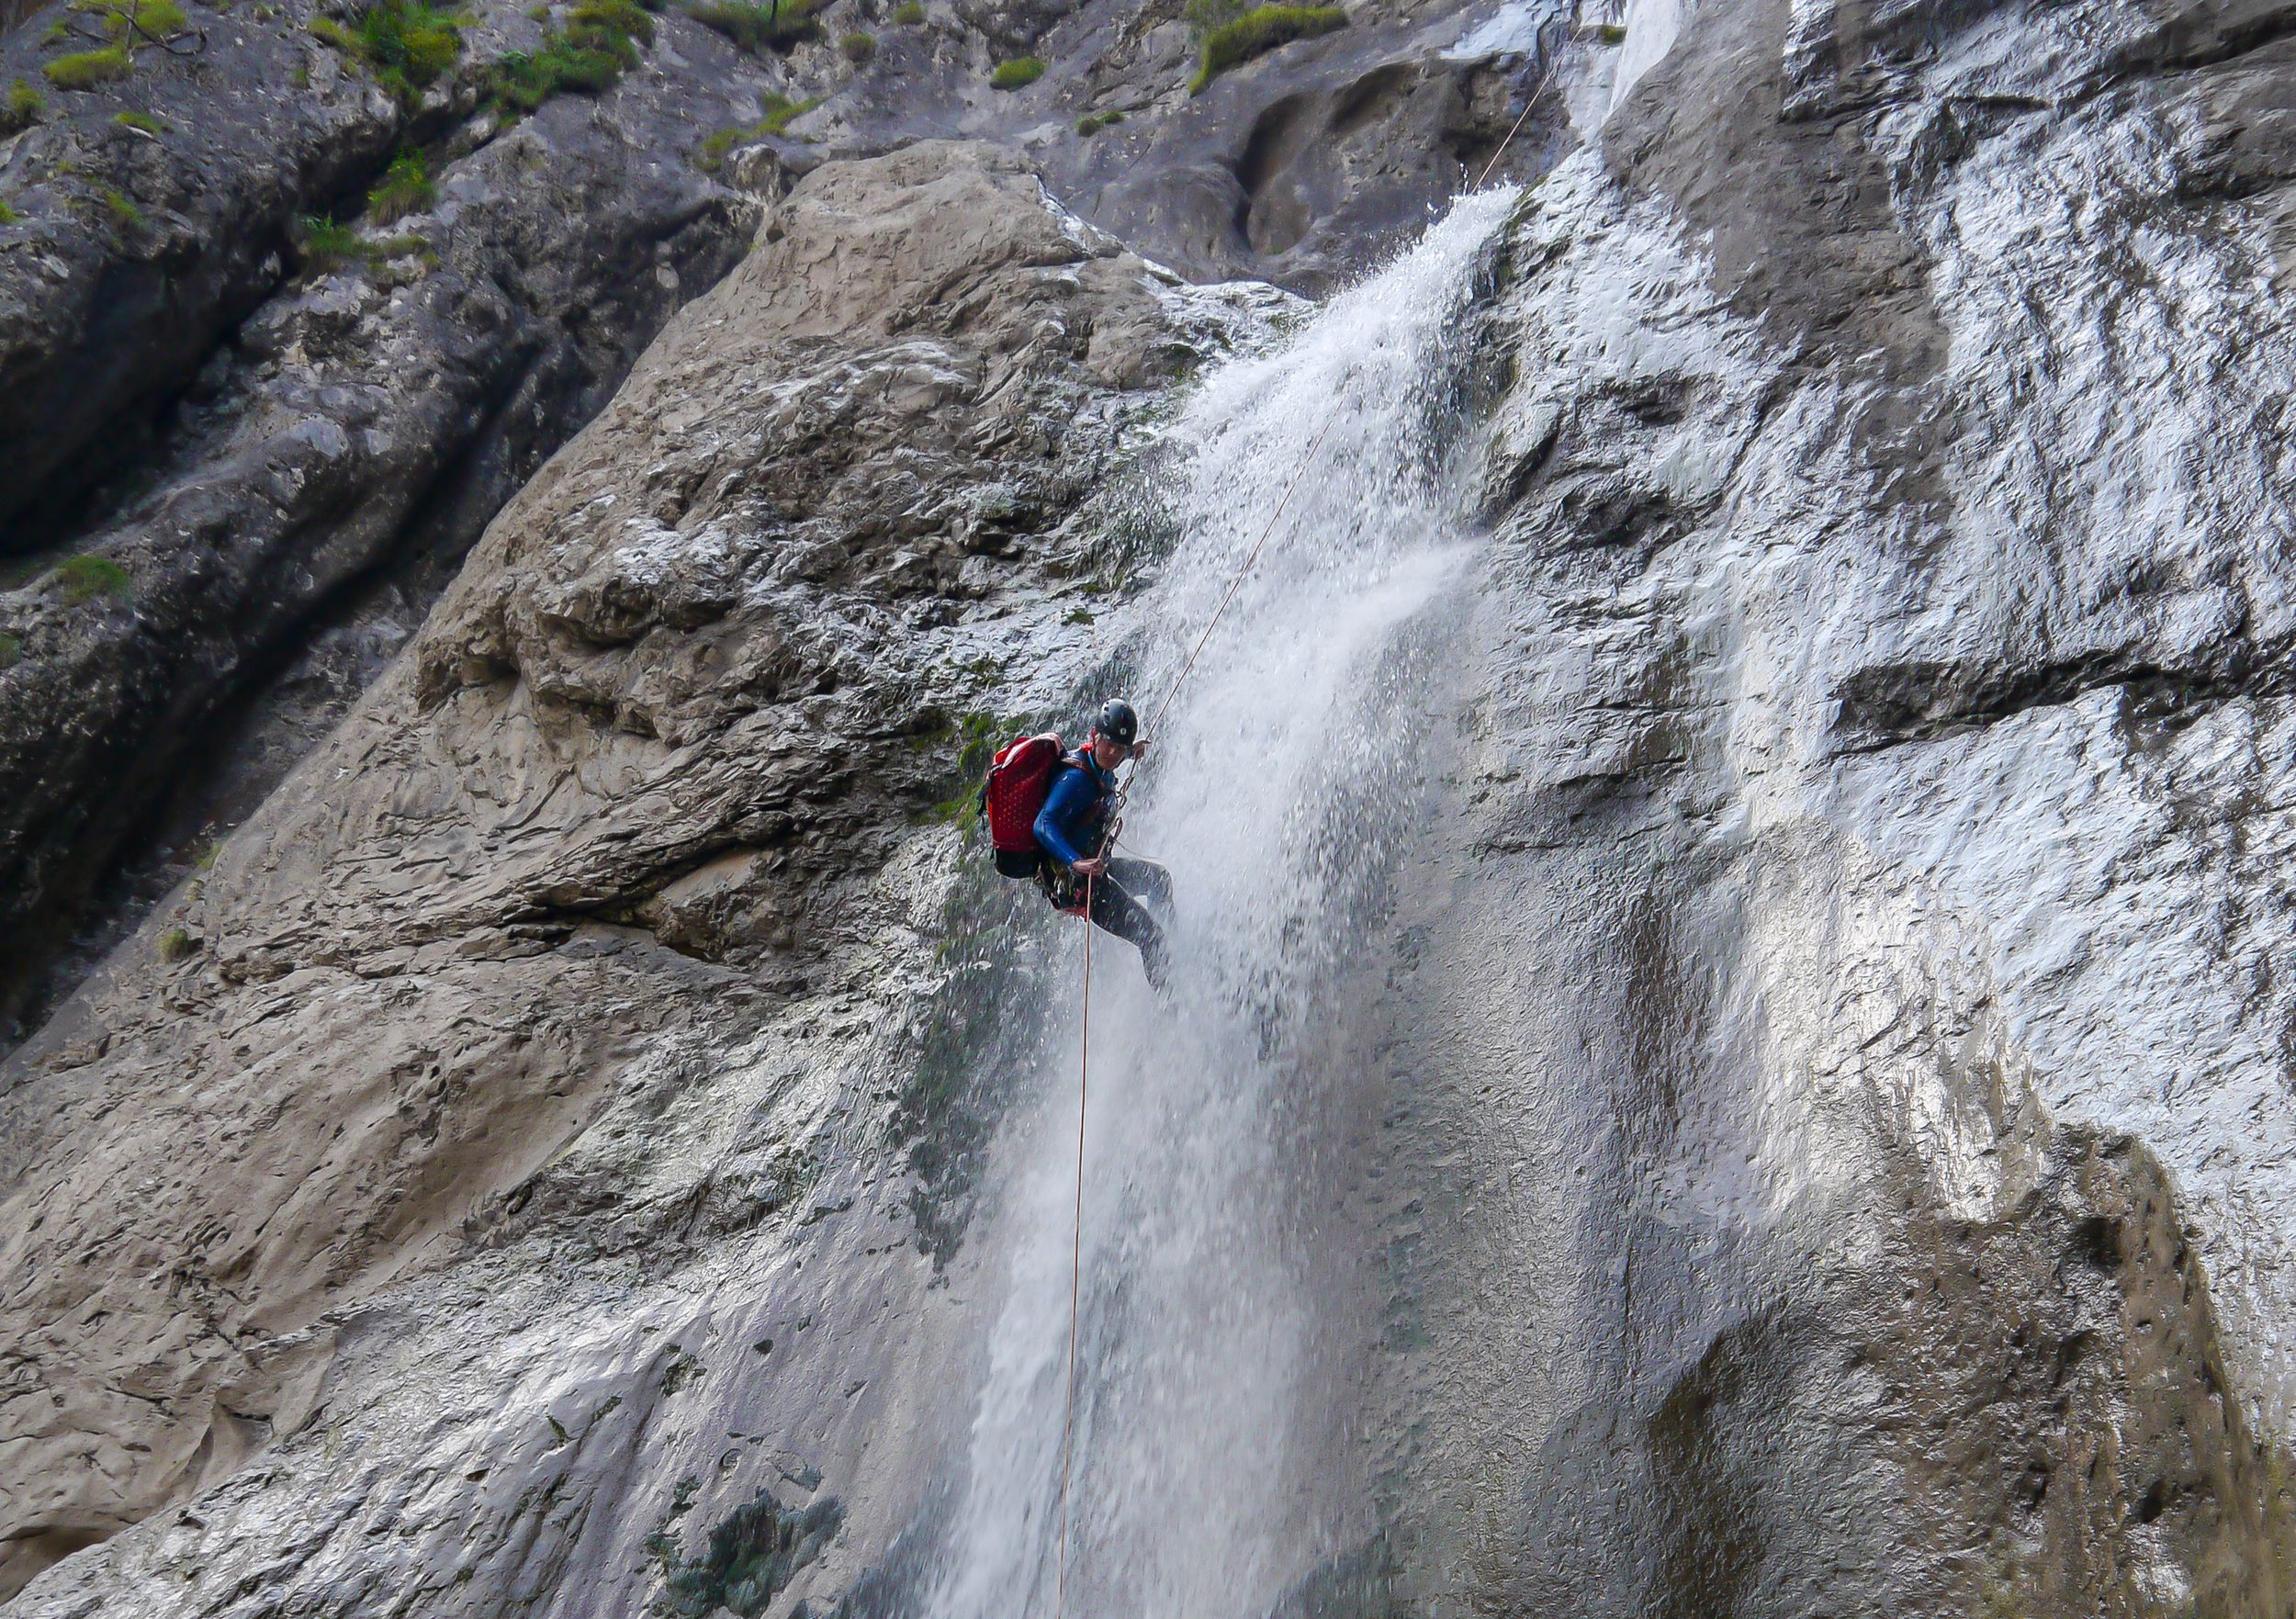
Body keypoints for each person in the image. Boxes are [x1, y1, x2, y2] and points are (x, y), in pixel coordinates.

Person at [1033, 698, 1175, 992]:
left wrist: (1130, 753)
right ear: (1094, 736)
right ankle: (1174, 1006)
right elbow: (1043, 823)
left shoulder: (1101, 764)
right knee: (1151, 937)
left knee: (1158, 880)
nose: (1112, 753)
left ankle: (1175, 950)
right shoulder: (1075, 778)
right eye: (1108, 743)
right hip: (1076, 882)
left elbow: (1109, 760)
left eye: (1120, 748)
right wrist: (1075, 861)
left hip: (1096, 866)